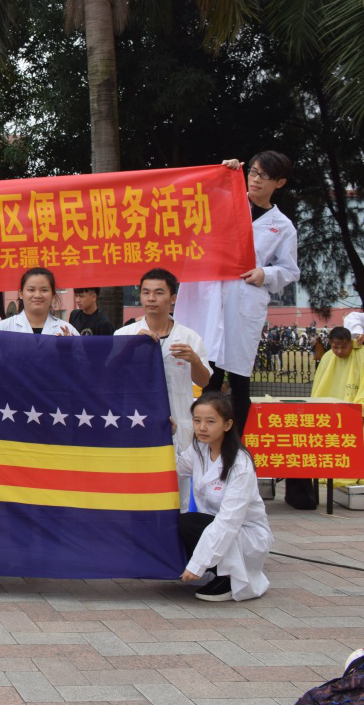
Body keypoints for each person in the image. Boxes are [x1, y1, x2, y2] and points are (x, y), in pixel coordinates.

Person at [175, 152, 300, 437]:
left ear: (280, 182)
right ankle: (202, 443)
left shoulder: (282, 226)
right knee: (208, 375)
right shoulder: (224, 201)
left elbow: (289, 270)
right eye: (253, 172)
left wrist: (265, 274)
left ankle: (234, 446)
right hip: (209, 299)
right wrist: (221, 174)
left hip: (244, 303)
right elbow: (194, 201)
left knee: (240, 380)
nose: (255, 180)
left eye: (264, 176)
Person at [114, 269, 212, 507]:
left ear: (173, 298)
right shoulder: (125, 334)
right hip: (136, 422)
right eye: (146, 292)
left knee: (176, 492)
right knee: (135, 489)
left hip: (176, 423)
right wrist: (129, 349)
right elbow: (110, 377)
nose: (151, 298)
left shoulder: (189, 337)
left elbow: (203, 381)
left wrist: (194, 360)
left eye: (159, 293)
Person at [176, 392, 272, 601]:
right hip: (214, 526)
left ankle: (229, 578)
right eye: (197, 421)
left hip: (244, 533)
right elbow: (174, 471)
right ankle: (214, 570)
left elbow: (228, 521)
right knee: (177, 521)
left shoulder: (240, 465)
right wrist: (167, 437)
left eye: (210, 422)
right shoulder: (199, 449)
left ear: (227, 425)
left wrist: (197, 564)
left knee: (189, 522)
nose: (202, 427)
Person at [0, 268, 78, 336]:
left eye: (44, 290)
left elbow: (80, 353)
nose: (37, 295)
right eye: (31, 290)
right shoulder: (2, 328)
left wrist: (70, 348)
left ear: (52, 294)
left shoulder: (68, 331)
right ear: (21, 294)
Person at [311, 327, 364, 405]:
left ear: (351, 343)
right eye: (335, 347)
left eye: (344, 347)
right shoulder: (327, 357)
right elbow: (319, 383)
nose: (340, 351)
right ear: (330, 343)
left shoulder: (361, 354)